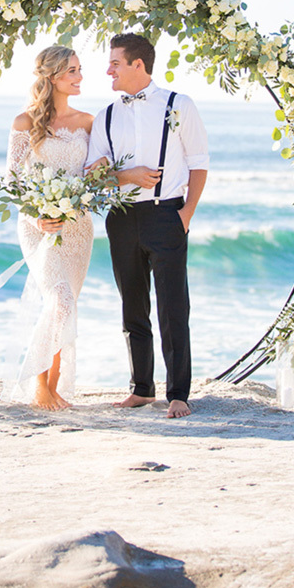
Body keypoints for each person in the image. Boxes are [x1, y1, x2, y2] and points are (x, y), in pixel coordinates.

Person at [86, 33, 209, 418]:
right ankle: (141, 388)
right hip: (121, 218)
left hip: (165, 213)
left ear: (138, 65)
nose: (108, 70)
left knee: (173, 306)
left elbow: (199, 162)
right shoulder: (106, 114)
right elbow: (95, 177)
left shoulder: (179, 104)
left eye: (115, 63)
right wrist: (128, 175)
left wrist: (186, 214)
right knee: (132, 306)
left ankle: (178, 394)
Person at [4, 45, 94, 410]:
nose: (79, 77)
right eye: (72, 71)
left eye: (79, 69)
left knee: (67, 307)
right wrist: (35, 216)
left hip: (77, 227)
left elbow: (94, 175)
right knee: (58, 301)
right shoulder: (25, 123)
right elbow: (13, 181)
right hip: (38, 226)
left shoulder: (88, 122)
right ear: (53, 77)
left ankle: (54, 387)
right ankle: (39, 385)